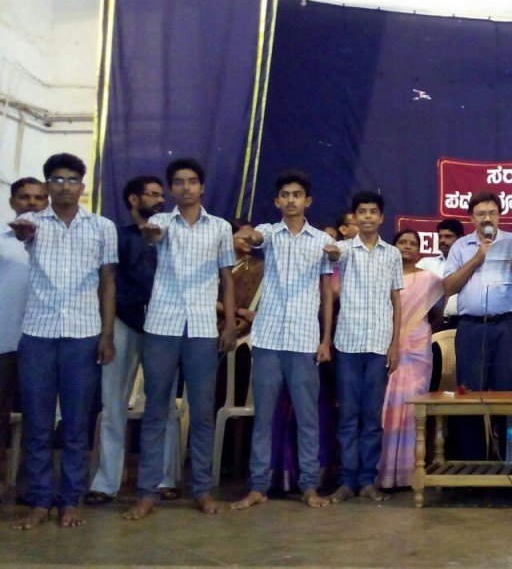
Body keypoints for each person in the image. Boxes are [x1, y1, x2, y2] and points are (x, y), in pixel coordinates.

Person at [123, 158, 236, 521]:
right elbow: (151, 236)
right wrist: (151, 234)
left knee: (202, 411)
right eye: (179, 182)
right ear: (171, 189)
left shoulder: (220, 227)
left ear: (202, 187)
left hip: (203, 327)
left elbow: (227, 278)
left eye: (192, 181)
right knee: (156, 410)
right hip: (162, 324)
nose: (186, 187)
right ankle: (147, 492)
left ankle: (201, 489)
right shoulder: (160, 222)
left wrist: (229, 324)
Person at [9, 154, 117, 530]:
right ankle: (40, 501)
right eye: (57, 179)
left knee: (75, 424)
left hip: (84, 336)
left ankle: (70, 500)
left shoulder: (102, 227)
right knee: (37, 424)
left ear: (82, 186)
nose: (65, 186)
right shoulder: (33, 224)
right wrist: (22, 231)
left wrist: (107, 335)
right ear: (47, 186)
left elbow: (108, 283)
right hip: (38, 335)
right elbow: (22, 233)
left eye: (72, 180)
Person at [229, 171, 339, 511]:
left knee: (307, 417)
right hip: (268, 338)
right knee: (263, 417)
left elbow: (326, 292)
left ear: (308, 201)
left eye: (297, 194)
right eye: (285, 194)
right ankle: (257, 486)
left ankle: (309, 486)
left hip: (305, 339)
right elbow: (254, 238)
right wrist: (249, 235)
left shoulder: (321, 241)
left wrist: (325, 339)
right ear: (277, 201)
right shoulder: (270, 233)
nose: (291, 200)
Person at [87, 176, 182, 506]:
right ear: (133, 199)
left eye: (160, 194)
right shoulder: (118, 235)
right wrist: (107, 333)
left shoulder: (172, 235)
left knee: (163, 404)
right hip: (123, 323)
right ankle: (106, 483)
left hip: (163, 326)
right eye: (151, 194)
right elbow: (107, 282)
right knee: (113, 404)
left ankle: (164, 479)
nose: (159, 199)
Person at [443, 191, 512, 460]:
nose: (487, 218)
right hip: (471, 328)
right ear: (471, 218)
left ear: (499, 215)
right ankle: (471, 462)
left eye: (492, 212)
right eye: (481, 213)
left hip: (508, 326)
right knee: (468, 394)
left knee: (511, 395)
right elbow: (449, 286)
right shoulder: (461, 247)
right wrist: (476, 259)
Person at [330, 191, 403, 502]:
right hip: (347, 344)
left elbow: (396, 300)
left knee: (372, 417)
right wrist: (331, 252)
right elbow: (332, 257)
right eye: (362, 212)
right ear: (354, 217)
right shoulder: (345, 250)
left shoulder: (392, 254)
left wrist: (395, 344)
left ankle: (367, 480)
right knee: (348, 414)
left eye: (373, 211)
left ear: (381, 217)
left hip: (378, 345)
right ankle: (347, 480)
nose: (368, 217)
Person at [379, 229, 444, 489]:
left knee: (411, 407)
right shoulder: (381, 275)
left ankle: (409, 471)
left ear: (419, 250)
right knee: (384, 406)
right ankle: (383, 472)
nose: (407, 246)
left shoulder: (428, 279)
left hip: (417, 348)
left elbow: (436, 313)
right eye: (402, 242)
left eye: (412, 243)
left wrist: (413, 329)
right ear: (393, 247)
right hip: (385, 344)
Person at [0, 177, 47, 504]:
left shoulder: (58, 243)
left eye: (39, 198)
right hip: (4, 341)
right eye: (25, 197)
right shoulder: (1, 242)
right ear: (12, 202)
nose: (32, 202)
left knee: (38, 419)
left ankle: (33, 488)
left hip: (43, 341)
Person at [417, 218, 463, 326]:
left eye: (448, 236)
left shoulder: (470, 265)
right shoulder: (426, 264)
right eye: (440, 236)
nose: (442, 240)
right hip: (433, 322)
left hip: (464, 322)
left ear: (461, 240)